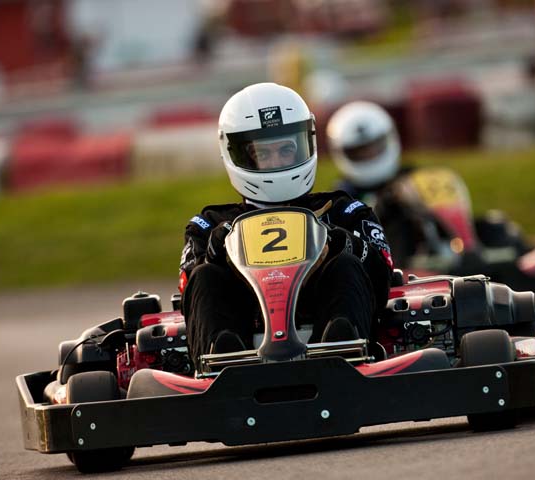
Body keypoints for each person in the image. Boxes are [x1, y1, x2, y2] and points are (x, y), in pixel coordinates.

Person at [179, 83, 393, 360]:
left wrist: (343, 242)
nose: (275, 162)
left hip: (327, 328)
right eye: (262, 154)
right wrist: (215, 252)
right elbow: (189, 294)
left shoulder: (345, 212)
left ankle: (342, 348)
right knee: (206, 275)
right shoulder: (208, 226)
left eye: (286, 150)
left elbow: (384, 278)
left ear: (306, 143)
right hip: (243, 331)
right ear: (235, 154)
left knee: (346, 265)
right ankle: (223, 358)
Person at [326, 100, 428, 262]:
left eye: (374, 147)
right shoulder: (342, 200)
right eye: (360, 151)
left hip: (429, 257)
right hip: (378, 265)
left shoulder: (415, 178)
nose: (369, 155)